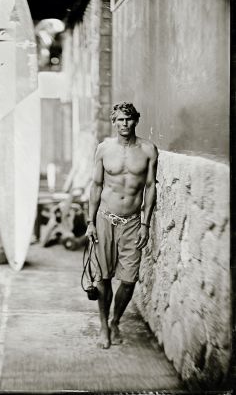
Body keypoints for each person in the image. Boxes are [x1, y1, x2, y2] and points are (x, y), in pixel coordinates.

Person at [85, 102, 158, 349]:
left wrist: (145, 224)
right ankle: (104, 326)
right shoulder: (104, 149)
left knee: (129, 280)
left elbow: (150, 188)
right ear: (113, 122)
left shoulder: (148, 150)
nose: (124, 124)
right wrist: (90, 222)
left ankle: (116, 320)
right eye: (119, 120)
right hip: (105, 220)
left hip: (132, 223)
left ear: (136, 121)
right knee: (103, 278)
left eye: (128, 119)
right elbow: (96, 186)